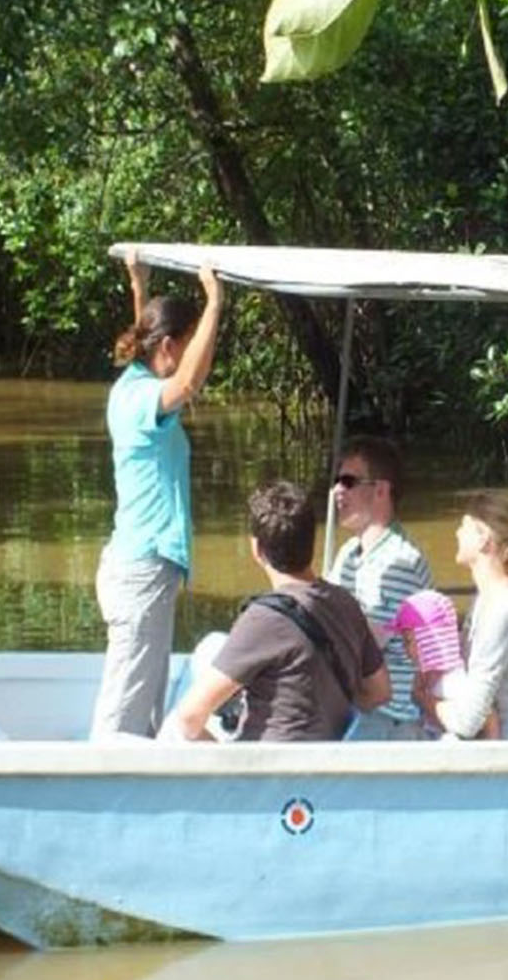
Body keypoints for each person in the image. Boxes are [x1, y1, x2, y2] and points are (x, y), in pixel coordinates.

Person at [91, 251, 223, 740]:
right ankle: (100, 790)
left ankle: (136, 785)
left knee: (144, 698)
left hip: (142, 567)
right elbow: (187, 380)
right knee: (124, 708)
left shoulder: (136, 384)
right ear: (169, 346)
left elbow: (152, 346)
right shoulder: (142, 398)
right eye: (188, 345)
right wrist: (214, 303)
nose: (195, 357)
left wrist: (138, 285)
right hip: (142, 570)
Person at [159, 481, 388, 742]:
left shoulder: (264, 620)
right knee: (213, 645)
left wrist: (223, 762)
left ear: (257, 549)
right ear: (311, 542)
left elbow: (189, 718)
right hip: (325, 757)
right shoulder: (345, 603)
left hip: (265, 768)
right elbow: (379, 692)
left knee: (173, 727)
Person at [327, 435, 434, 740]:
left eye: (348, 481)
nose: (337, 490)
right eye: (336, 480)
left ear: (381, 490)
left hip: (390, 716)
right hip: (358, 703)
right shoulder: (350, 551)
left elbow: (365, 647)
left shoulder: (399, 561)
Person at [414, 492, 508, 740]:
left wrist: (425, 700)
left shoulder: (507, 609)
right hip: (488, 740)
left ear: (484, 539)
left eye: (463, 527)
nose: (456, 533)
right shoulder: (486, 600)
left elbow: (467, 721)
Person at [387, 589, 498, 740]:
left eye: (408, 641)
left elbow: (489, 720)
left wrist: (491, 755)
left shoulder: (453, 681)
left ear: (428, 639)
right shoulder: (427, 677)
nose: (405, 650)